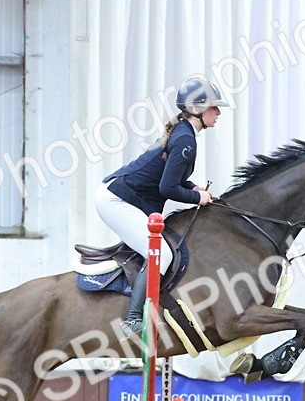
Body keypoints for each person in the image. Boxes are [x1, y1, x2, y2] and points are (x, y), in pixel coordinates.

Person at [97, 75, 230, 337]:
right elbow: (167, 189)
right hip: (115, 200)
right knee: (162, 254)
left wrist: (193, 188)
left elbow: (171, 178)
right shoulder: (185, 140)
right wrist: (198, 199)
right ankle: (132, 320)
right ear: (198, 109)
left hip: (125, 196)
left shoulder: (184, 133)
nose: (218, 113)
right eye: (214, 107)